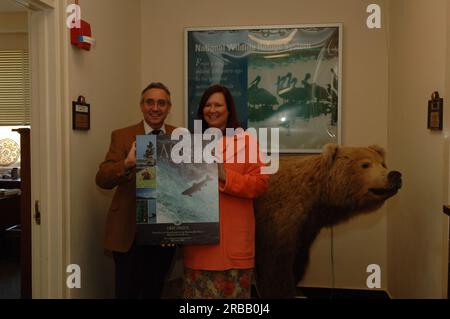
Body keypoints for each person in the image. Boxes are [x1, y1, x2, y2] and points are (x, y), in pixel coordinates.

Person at [183, 84, 269, 299]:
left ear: (229, 110)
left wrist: (225, 176)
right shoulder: (188, 144)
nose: (212, 110)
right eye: (208, 105)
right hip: (199, 246)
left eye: (218, 105)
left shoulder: (247, 142)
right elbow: (178, 191)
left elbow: (260, 184)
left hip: (234, 247)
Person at [96, 82, 176, 298]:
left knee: (154, 290)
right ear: (141, 106)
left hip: (163, 235)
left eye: (162, 103)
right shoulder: (122, 135)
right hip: (128, 232)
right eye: (150, 102)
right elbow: (102, 178)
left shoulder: (181, 136)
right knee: (126, 292)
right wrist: (127, 164)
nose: (155, 108)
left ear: (169, 107)